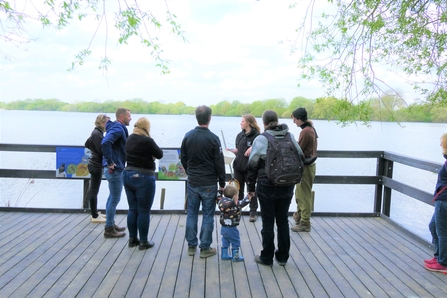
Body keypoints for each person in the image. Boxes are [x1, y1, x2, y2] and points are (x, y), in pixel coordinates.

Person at [247, 110, 304, 267]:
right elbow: (301, 156)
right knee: (283, 221)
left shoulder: (261, 139)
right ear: (277, 121)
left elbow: (252, 165)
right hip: (287, 184)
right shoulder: (290, 136)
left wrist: (250, 188)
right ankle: (283, 257)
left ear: (264, 123)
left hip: (266, 184)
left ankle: (266, 257)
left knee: (267, 221)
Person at [180, 105, 226, 258]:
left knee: (191, 213)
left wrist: (190, 171)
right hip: (208, 182)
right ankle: (205, 247)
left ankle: (191, 246)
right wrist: (222, 182)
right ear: (209, 118)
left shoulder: (188, 136)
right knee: (208, 215)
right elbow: (219, 162)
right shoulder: (214, 138)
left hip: (192, 181)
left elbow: (183, 158)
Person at [123, 117, 163, 250]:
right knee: (144, 210)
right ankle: (144, 241)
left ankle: (132, 238)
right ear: (147, 127)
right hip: (144, 176)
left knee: (132, 209)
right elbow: (160, 154)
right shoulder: (147, 140)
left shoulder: (129, 139)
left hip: (127, 174)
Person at [101, 108, 131, 238]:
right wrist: (110, 162)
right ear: (122, 116)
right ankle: (109, 229)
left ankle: (111, 223)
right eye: (129, 116)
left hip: (112, 169)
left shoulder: (115, 127)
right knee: (115, 198)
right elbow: (105, 143)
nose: (130, 118)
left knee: (111, 197)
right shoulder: (118, 129)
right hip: (114, 169)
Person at [227, 114, 260, 222]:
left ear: (249, 123)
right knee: (238, 189)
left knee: (251, 189)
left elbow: (260, 149)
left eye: (242, 121)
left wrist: (252, 147)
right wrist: (231, 151)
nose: (240, 123)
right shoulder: (239, 135)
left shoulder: (257, 136)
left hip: (250, 168)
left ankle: (253, 212)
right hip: (238, 166)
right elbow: (238, 150)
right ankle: (237, 210)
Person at [290, 107, 318, 233]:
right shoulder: (311, 129)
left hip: (306, 167)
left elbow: (299, 150)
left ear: (299, 119)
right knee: (301, 193)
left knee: (303, 195)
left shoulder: (306, 131)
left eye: (294, 119)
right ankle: (299, 216)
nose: (294, 122)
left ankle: (305, 222)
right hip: (309, 166)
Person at [424, 133, 447, 273]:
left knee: (442, 232)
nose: (440, 145)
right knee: (433, 226)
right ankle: (438, 257)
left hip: (444, 200)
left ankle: (443, 263)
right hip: (442, 199)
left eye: (442, 142)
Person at [85, 113, 110, 223]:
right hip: (95, 165)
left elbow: (87, 143)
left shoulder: (96, 132)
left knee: (94, 190)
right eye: (107, 123)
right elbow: (101, 150)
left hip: (94, 164)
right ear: (102, 122)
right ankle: (94, 215)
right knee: (94, 190)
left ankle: (94, 211)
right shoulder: (97, 134)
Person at [218, 184, 251, 262]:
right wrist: (248, 197)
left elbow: (218, 196)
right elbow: (242, 203)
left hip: (224, 227)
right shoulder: (235, 204)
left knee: (225, 240)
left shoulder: (221, 201)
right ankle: (235, 257)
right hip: (232, 228)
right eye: (237, 195)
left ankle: (224, 254)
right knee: (236, 241)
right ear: (234, 196)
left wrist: (219, 190)